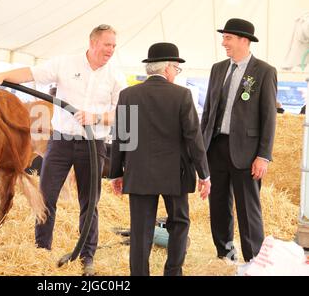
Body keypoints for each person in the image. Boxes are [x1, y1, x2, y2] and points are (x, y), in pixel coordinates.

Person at [0, 24, 126, 275]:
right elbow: (31, 73)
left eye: (114, 45)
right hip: (61, 141)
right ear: (93, 43)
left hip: (93, 145)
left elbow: (122, 113)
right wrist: (2, 76)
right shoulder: (65, 64)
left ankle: (87, 256)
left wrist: (95, 117)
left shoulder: (116, 75)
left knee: (89, 202)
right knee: (46, 196)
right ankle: (41, 250)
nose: (111, 50)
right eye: (107, 44)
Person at [109, 42, 211, 276]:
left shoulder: (128, 95)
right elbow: (194, 139)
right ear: (167, 69)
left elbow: (122, 138)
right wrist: (204, 174)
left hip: (139, 173)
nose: (176, 73)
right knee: (179, 223)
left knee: (140, 229)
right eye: (176, 68)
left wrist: (116, 172)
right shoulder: (182, 95)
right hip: (175, 174)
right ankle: (173, 271)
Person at [201, 18, 277, 262]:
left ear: (244, 41)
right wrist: (201, 151)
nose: (224, 43)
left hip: (247, 151)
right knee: (219, 205)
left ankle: (254, 259)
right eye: (223, 38)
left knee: (248, 209)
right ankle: (224, 253)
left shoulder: (264, 71)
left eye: (228, 38)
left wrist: (263, 156)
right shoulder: (217, 68)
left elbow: (268, 118)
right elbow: (208, 112)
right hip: (216, 148)